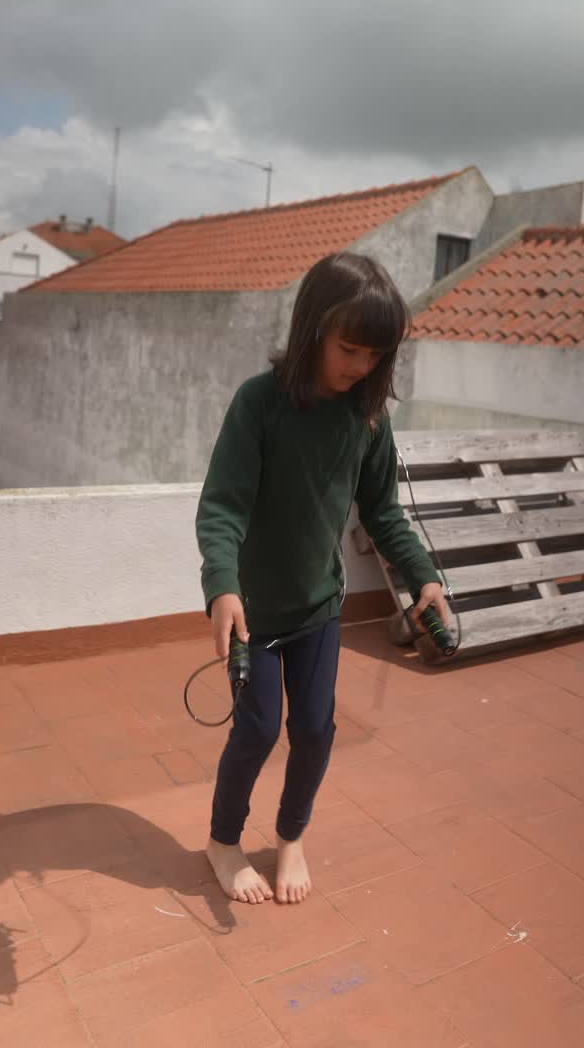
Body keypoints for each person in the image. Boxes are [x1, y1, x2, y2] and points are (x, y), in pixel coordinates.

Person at [195, 251, 448, 905]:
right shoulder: (260, 403)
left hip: (318, 608)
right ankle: (223, 842)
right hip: (253, 609)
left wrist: (424, 578)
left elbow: (384, 513)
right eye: (350, 348)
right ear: (313, 327)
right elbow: (223, 504)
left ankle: (290, 835)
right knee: (256, 729)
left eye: (375, 355)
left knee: (312, 728)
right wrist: (222, 585)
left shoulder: (367, 419)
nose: (361, 366)